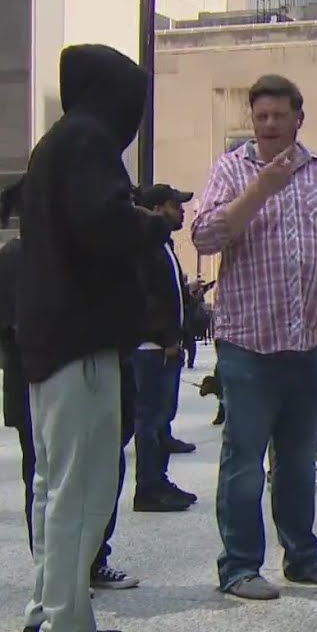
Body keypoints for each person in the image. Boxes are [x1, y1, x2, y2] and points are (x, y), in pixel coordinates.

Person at [15, 43, 174, 632]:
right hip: (82, 344)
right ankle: (64, 619)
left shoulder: (54, 145)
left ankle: (45, 609)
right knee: (84, 493)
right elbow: (103, 225)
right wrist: (152, 224)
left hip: (49, 343)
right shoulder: (87, 143)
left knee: (54, 491)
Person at [192, 73, 317, 601]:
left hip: (315, 344)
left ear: (298, 119)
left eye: (277, 116)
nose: (268, 126)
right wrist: (259, 190)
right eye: (259, 117)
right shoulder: (231, 170)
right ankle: (240, 566)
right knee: (244, 459)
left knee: (296, 459)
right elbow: (205, 234)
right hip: (249, 344)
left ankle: (303, 557)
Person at [132, 183, 201, 512]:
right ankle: (148, 487)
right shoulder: (145, 247)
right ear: (158, 209)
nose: (182, 211)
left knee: (160, 417)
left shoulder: (164, 246)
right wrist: (165, 337)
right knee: (149, 419)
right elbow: (146, 298)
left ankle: (158, 481)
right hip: (150, 350)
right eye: (176, 205)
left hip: (162, 347)